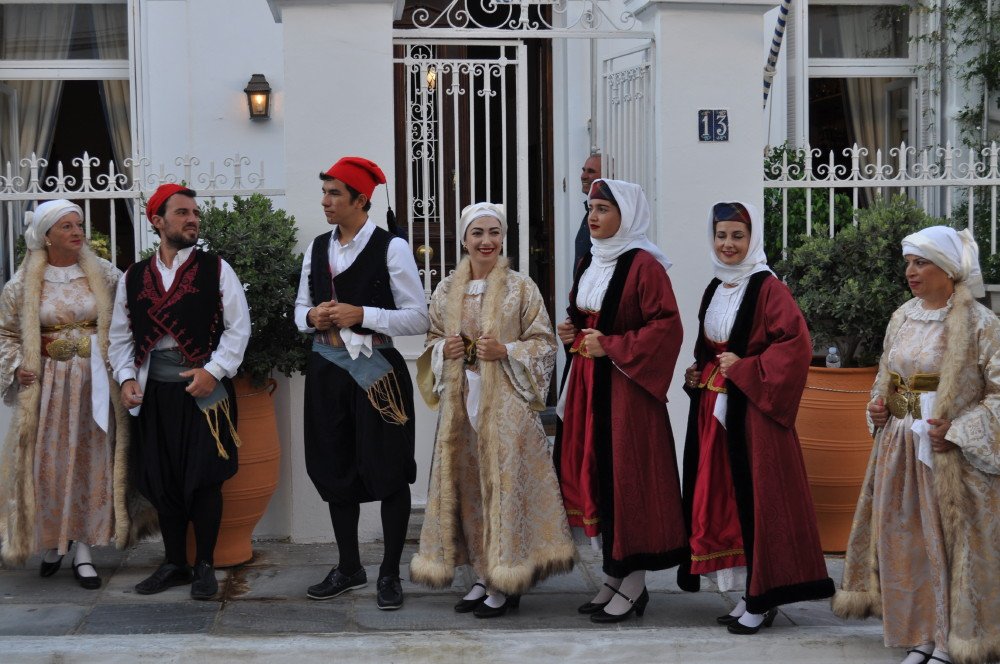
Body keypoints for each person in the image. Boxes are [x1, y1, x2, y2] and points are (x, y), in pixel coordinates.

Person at [834, 226, 1000, 664]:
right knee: (904, 541)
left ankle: (948, 640)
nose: (911, 271)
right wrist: (878, 407)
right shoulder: (903, 316)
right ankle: (919, 634)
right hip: (899, 446)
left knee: (946, 544)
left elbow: (998, 393)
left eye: (921, 262)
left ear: (947, 269)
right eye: (908, 262)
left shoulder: (981, 323)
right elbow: (887, 375)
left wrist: (958, 430)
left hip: (948, 454)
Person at [410, 202, 576, 618]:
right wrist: (444, 350)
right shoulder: (446, 289)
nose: (486, 241)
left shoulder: (522, 288)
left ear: (503, 238)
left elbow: (543, 344)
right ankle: (483, 576)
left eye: (494, 233)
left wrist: (506, 350)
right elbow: (432, 339)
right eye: (478, 233)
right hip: (461, 406)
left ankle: (507, 580)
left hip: (507, 408)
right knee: (471, 491)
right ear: (464, 240)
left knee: (504, 490)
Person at [677, 201, 834, 634]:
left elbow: (795, 347)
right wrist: (698, 371)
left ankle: (763, 597)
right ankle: (749, 592)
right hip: (717, 415)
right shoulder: (715, 286)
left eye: (737, 236)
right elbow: (712, 346)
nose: (728, 244)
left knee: (757, 500)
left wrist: (745, 369)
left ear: (753, 239)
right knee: (726, 501)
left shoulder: (768, 288)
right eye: (721, 235)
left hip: (754, 417)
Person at [295, 156, 428, 611]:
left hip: (378, 373)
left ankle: (389, 572)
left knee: (389, 468)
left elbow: (418, 317)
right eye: (325, 192)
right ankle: (349, 567)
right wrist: (311, 317)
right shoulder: (317, 248)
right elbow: (299, 310)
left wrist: (363, 314)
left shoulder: (392, 248)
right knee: (335, 468)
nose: (325, 201)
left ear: (360, 200)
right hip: (327, 371)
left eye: (334, 193)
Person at [0, 200, 154, 588]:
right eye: (66, 226)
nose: (77, 231)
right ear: (46, 236)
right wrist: (18, 366)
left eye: (78, 224)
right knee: (49, 464)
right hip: (48, 386)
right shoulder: (22, 283)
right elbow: (5, 333)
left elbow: (127, 322)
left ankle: (84, 549)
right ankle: (55, 542)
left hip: (95, 382)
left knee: (92, 459)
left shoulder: (105, 274)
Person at [554, 178, 687, 623]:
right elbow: (588, 313)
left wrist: (610, 345)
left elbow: (666, 327)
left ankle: (634, 583)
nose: (593, 216)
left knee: (627, 476)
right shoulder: (590, 259)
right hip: (589, 386)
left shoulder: (645, 265)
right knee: (598, 474)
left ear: (626, 215)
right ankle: (614, 575)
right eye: (590, 208)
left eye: (603, 209)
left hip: (627, 393)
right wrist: (572, 329)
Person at [109, 183, 251, 600]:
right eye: (182, 213)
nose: (193, 220)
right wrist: (127, 378)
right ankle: (174, 563)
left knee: (205, 479)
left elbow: (239, 328)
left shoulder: (216, 269)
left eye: (195, 213)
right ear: (157, 221)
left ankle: (204, 564)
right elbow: (121, 336)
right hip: (154, 393)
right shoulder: (133, 276)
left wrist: (214, 371)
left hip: (204, 391)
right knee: (162, 479)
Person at [573, 153, 602, 270]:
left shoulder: (612, 215)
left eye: (591, 171)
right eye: (583, 170)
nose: (583, 176)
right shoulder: (588, 211)